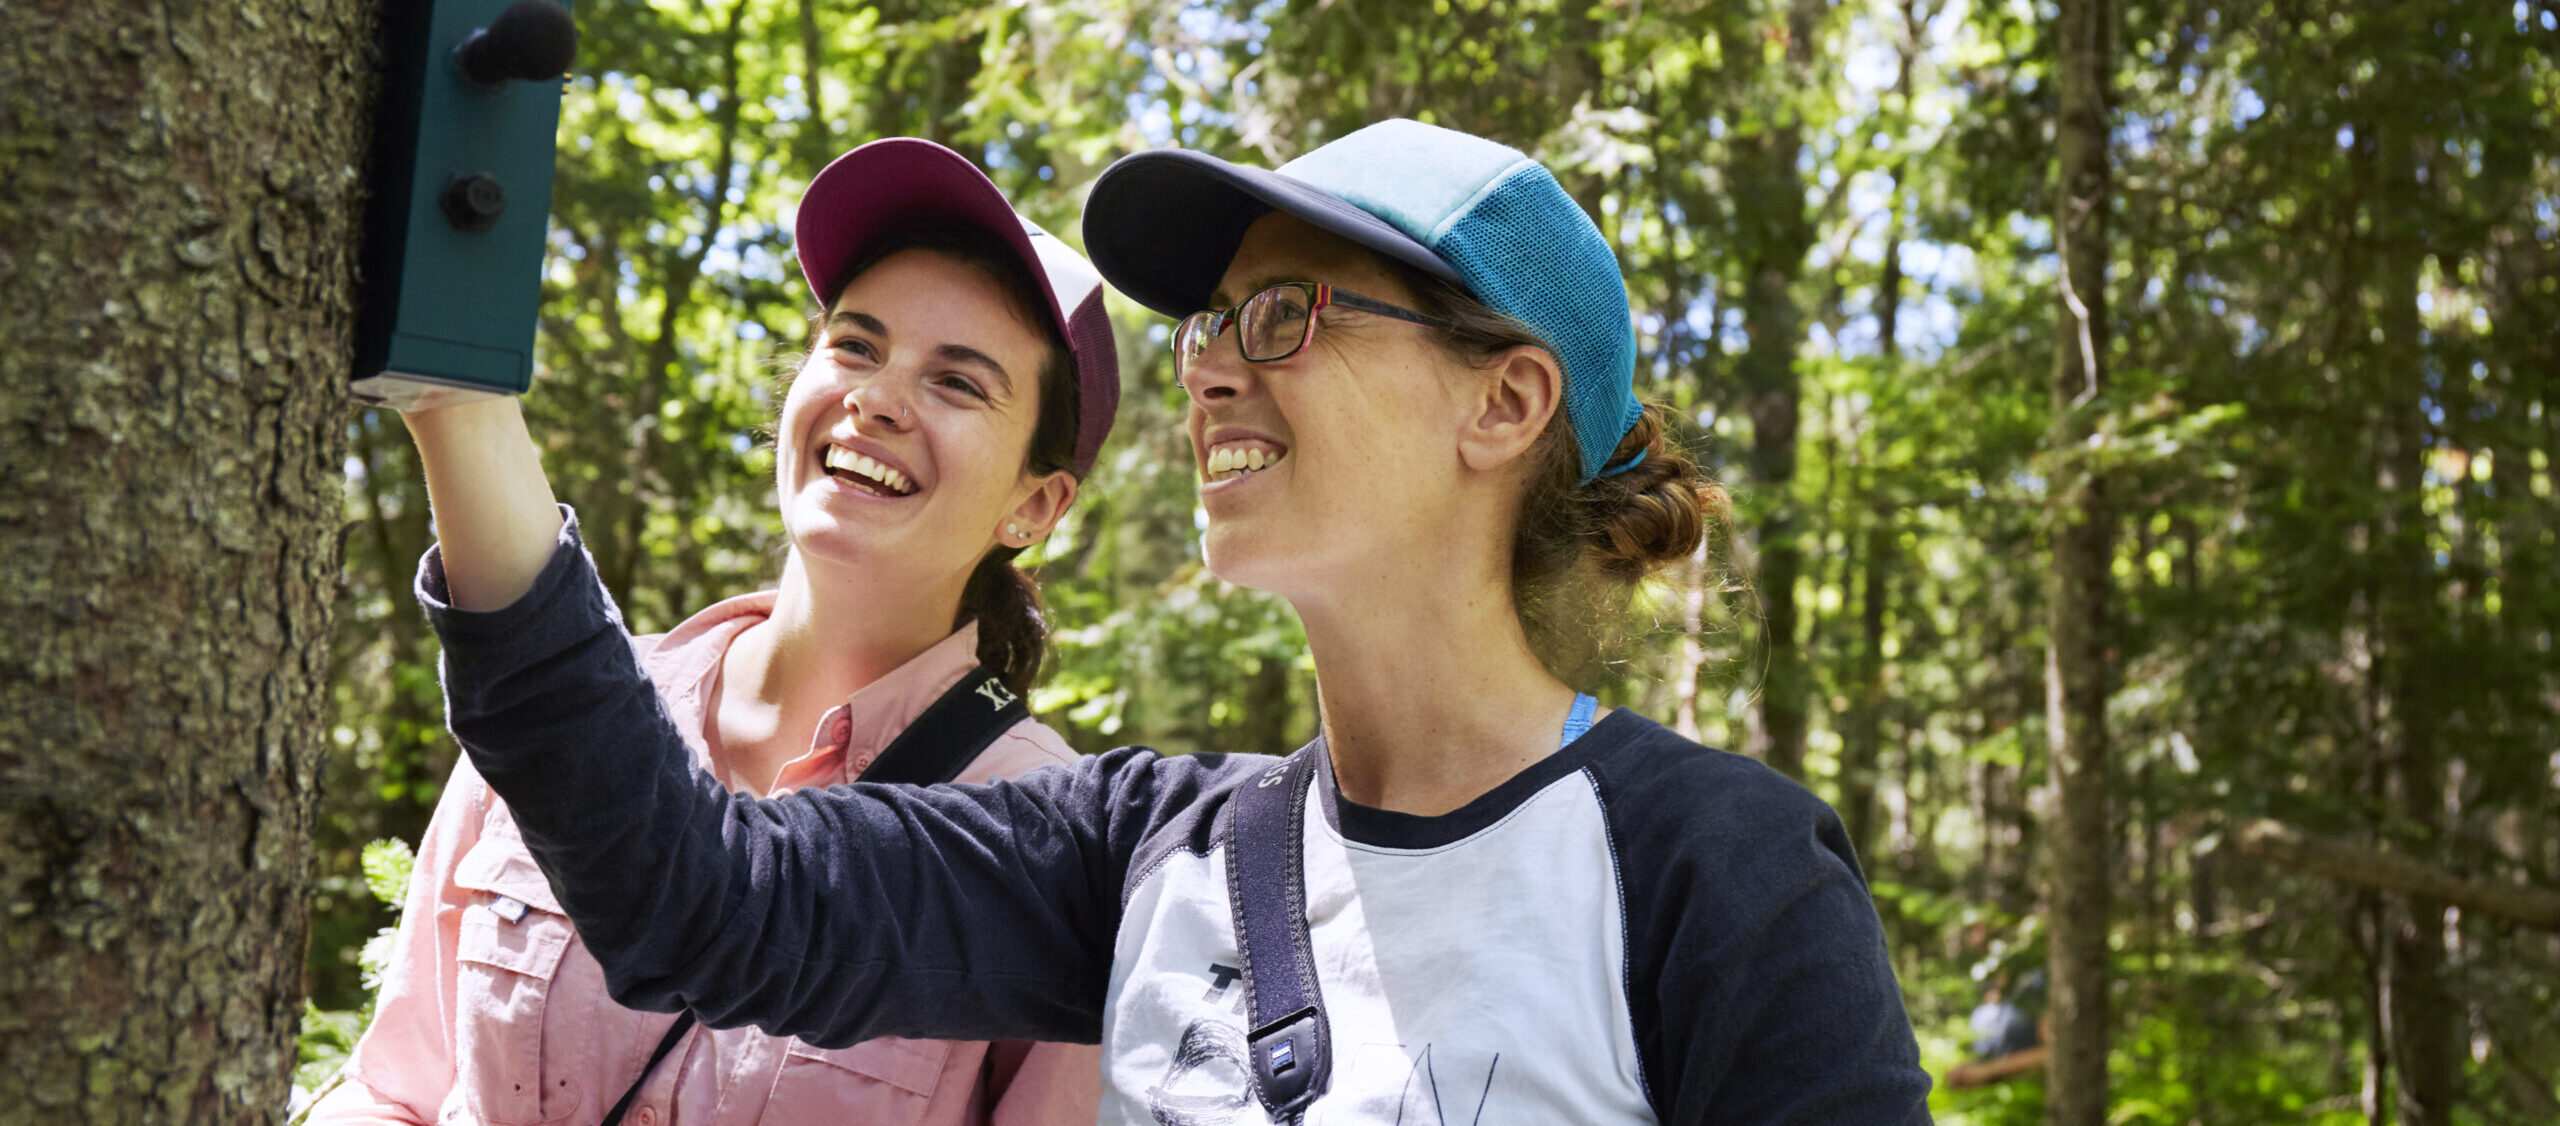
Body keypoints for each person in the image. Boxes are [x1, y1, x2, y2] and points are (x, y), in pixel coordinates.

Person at [400, 119, 1932, 1124]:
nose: (1205, 370)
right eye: (1211, 325)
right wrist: (460, 397)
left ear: (1504, 399)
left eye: (1285, 315)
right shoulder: (1146, 849)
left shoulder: (1717, 872)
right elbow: (694, 897)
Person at [311, 138, 1120, 1126]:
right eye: (856, 344)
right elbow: (392, 1087)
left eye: (958, 382)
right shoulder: (560, 711)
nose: (875, 397)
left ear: (1035, 505)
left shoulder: (1050, 851)